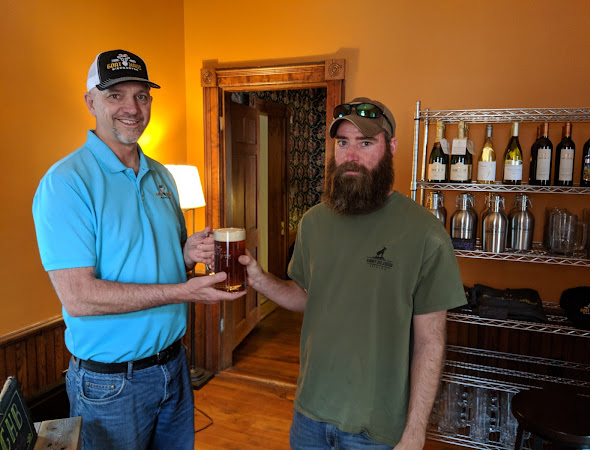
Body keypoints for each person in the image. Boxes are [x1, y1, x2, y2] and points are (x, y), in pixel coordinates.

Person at [32, 49, 243, 449]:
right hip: (110, 384)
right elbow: (79, 298)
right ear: (90, 101)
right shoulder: (66, 183)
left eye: (141, 96)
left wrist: (186, 254)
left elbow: (162, 260)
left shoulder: (161, 175)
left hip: (173, 367)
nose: (131, 107)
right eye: (115, 95)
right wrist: (183, 292)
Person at [238, 98, 467, 449]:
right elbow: (306, 297)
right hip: (309, 415)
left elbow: (430, 342)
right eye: (343, 142)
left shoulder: (425, 232)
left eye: (365, 142)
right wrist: (259, 279)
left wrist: (415, 432)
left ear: (391, 148)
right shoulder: (314, 221)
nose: (351, 155)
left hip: (376, 428)